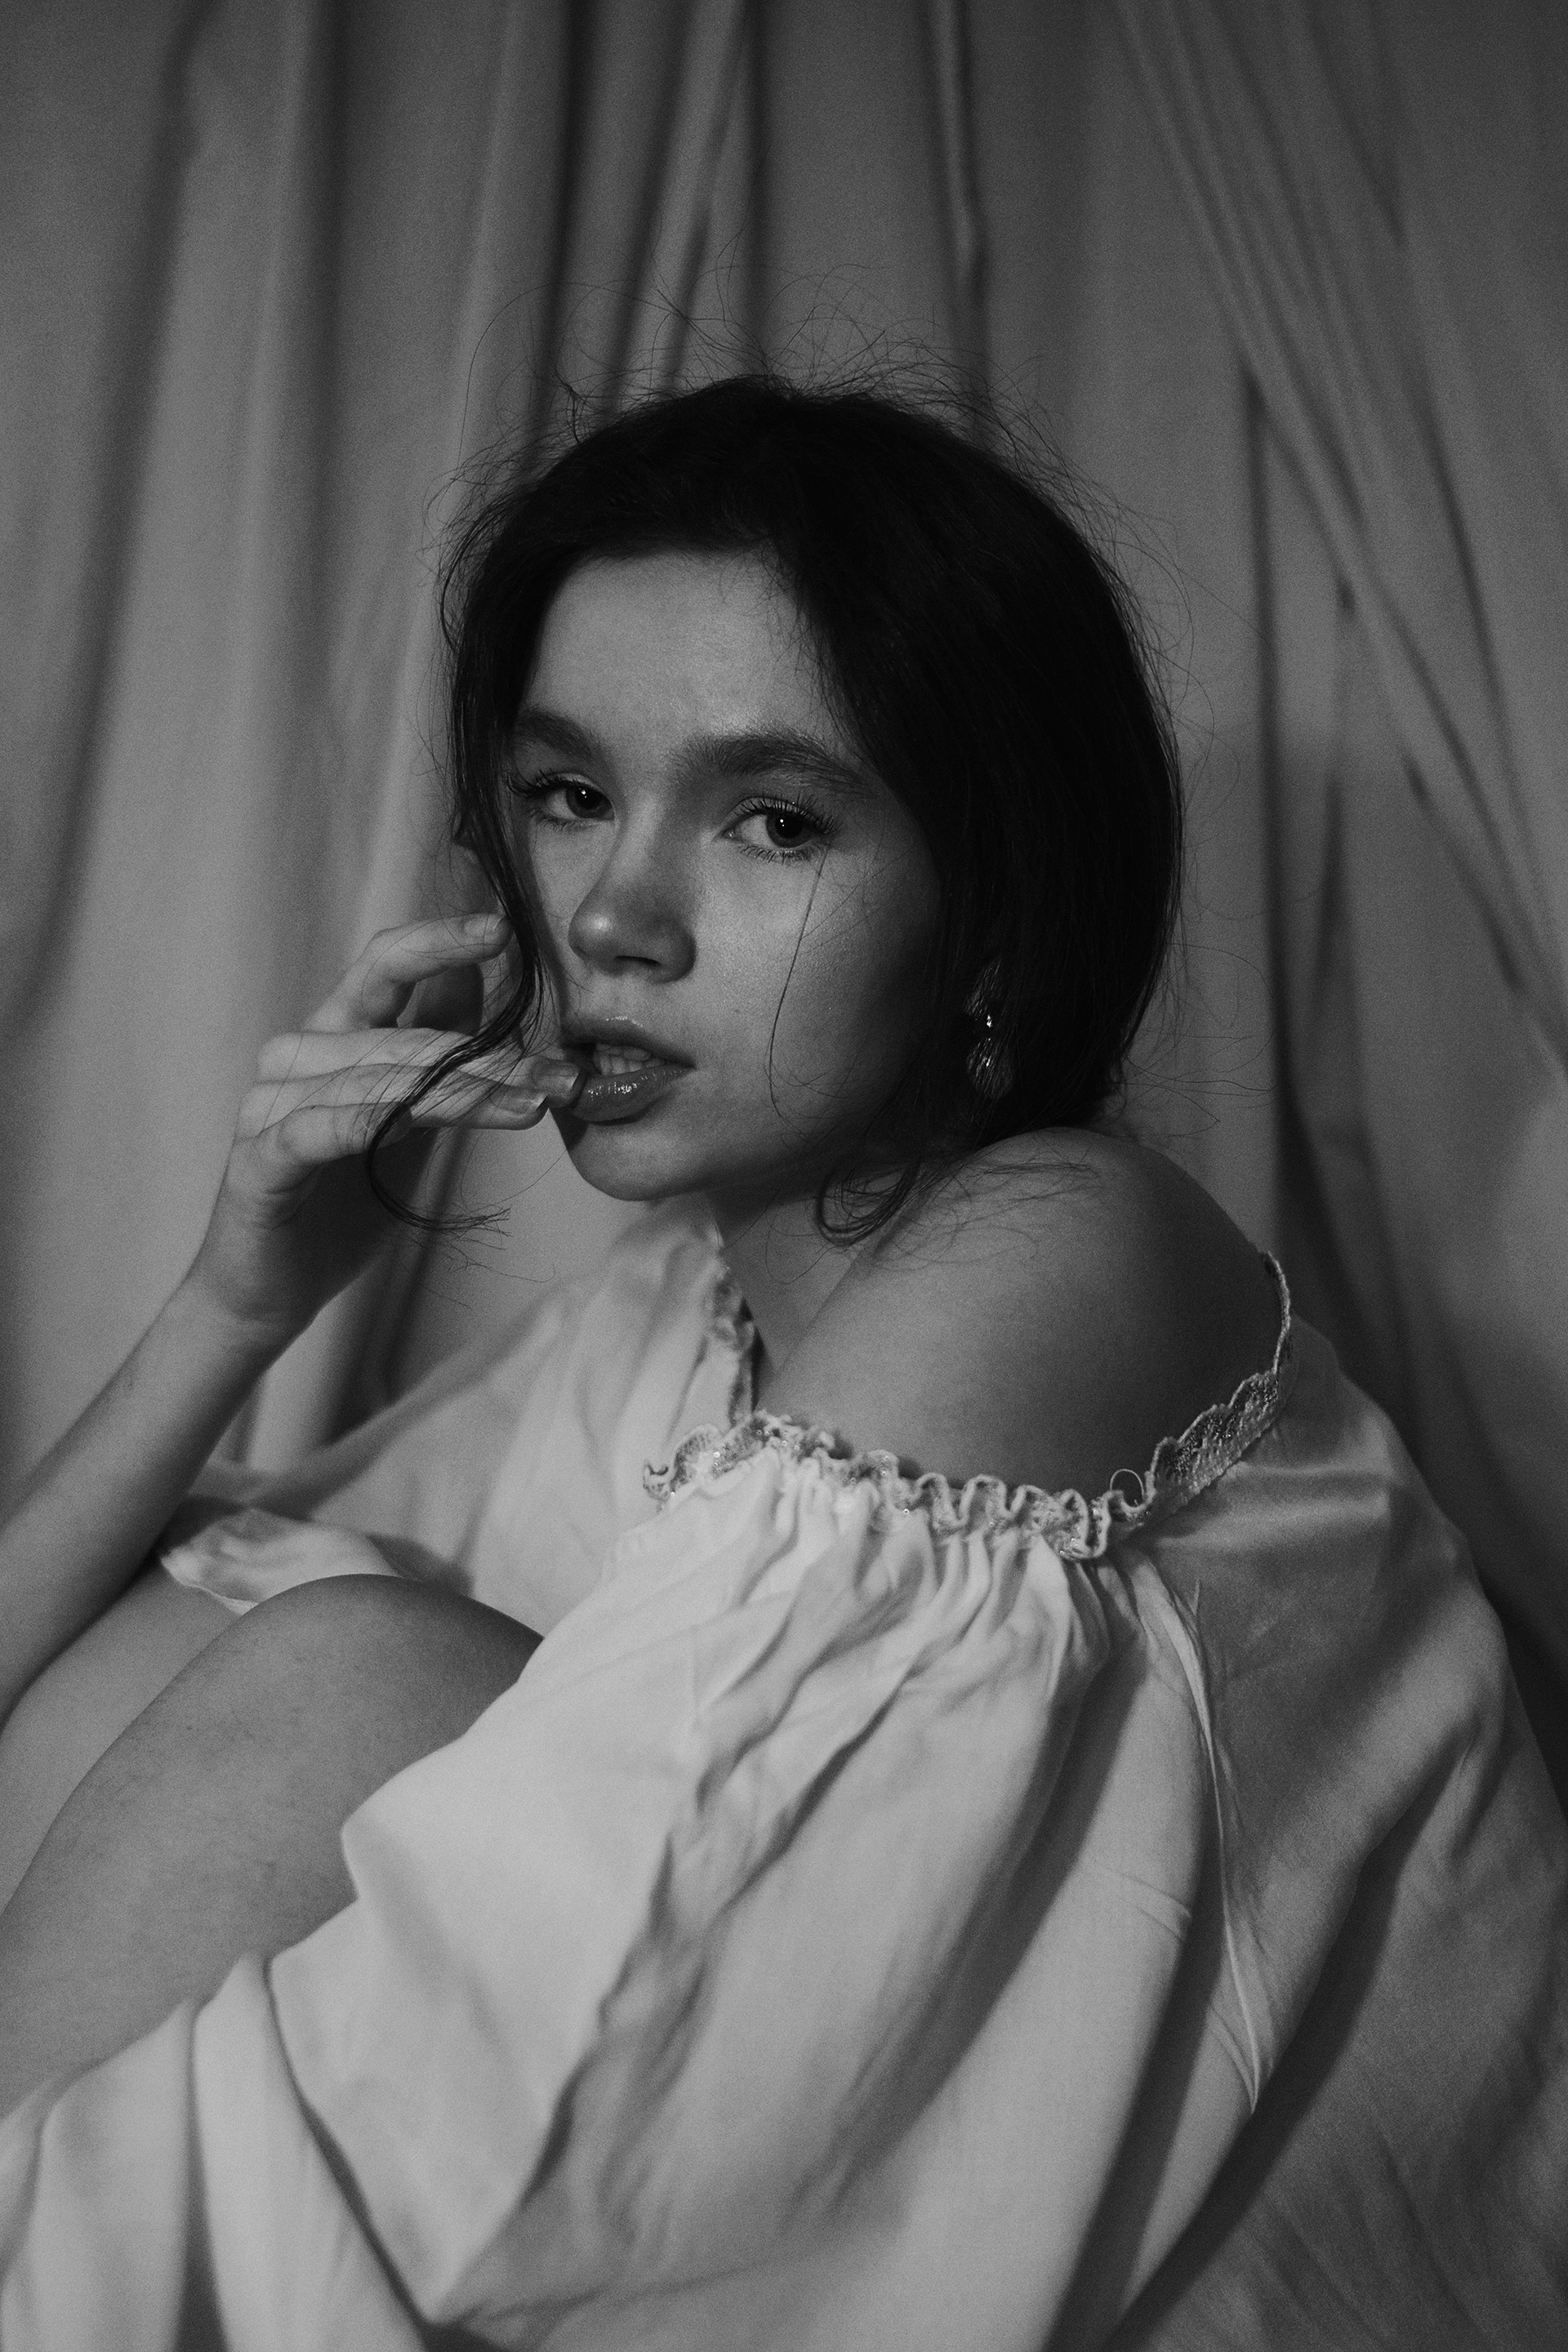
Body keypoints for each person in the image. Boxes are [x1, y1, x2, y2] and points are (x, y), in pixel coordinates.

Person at [0, 376, 1561, 2350]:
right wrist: (232, 1304)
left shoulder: (1072, 1251)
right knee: (230, 1647)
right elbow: (71, 1711)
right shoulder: (665, 1330)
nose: (613, 917)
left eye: (773, 820)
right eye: (570, 793)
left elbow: (540, 2037)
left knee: (339, 1673)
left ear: (992, 923)